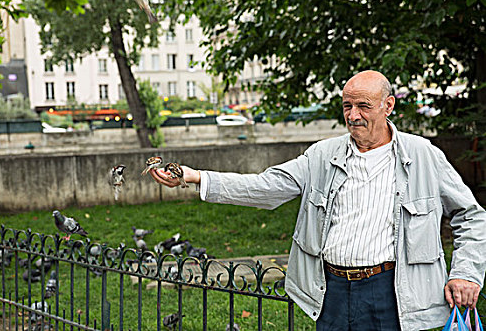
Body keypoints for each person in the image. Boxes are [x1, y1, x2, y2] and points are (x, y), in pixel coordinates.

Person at [150, 70, 486, 330]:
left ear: (388, 105)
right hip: (333, 291)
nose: (353, 115)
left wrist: (467, 273)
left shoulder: (423, 155)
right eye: (347, 106)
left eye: (363, 106)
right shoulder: (323, 155)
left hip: (393, 291)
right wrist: (196, 177)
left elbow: (471, 216)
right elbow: (268, 186)